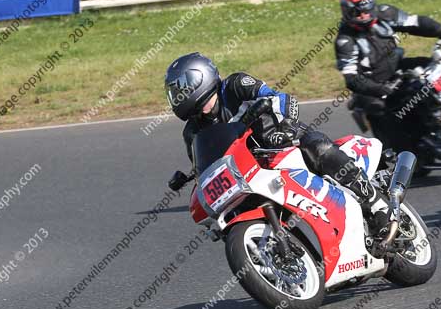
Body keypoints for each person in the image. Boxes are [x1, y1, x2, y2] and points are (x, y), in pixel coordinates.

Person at [165, 52, 389, 235]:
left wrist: (286, 125)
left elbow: (279, 97)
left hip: (282, 142)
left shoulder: (234, 85)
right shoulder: (192, 131)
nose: (178, 96)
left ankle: (373, 200)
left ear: (199, 77)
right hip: (251, 170)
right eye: (175, 93)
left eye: (181, 89)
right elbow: (206, 168)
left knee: (316, 146)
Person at [334, 0, 441, 150]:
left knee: (432, 66)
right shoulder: (345, 40)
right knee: (378, 109)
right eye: (357, 12)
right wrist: (380, 89)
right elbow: (351, 78)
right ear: (347, 14)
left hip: (397, 67)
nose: (363, 15)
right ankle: (405, 152)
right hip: (371, 84)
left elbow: (415, 23)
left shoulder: (385, 13)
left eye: (366, 9)